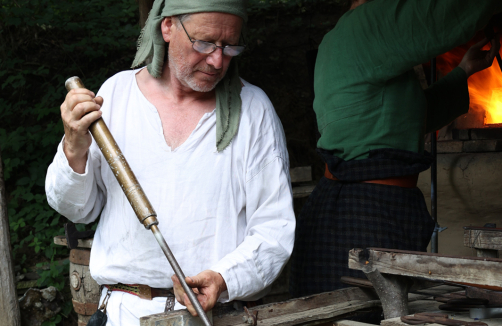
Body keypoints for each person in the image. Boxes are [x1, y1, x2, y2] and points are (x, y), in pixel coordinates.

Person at [45, 1, 295, 325]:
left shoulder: (254, 111)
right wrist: (74, 145)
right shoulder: (117, 95)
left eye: (230, 45)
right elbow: (77, 209)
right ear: (168, 27)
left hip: (212, 316)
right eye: (203, 42)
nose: (218, 60)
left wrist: (225, 279)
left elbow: (274, 230)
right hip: (121, 315)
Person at [290, 0, 502, 297]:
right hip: (363, 212)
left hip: (357, 207)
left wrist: (463, 71)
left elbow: (403, 119)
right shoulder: (367, 23)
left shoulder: (342, 38)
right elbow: (447, 14)